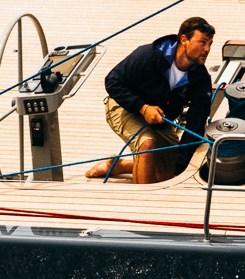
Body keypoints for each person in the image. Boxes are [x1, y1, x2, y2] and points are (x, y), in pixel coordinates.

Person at [87, 16, 216, 183]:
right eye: (202, 42)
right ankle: (141, 197)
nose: (207, 49)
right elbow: (112, 81)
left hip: (161, 120)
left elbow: (196, 124)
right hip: (124, 107)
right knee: (147, 145)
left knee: (169, 173)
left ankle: (120, 166)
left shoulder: (201, 79)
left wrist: (179, 167)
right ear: (184, 40)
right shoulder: (148, 55)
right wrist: (143, 108)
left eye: (210, 43)